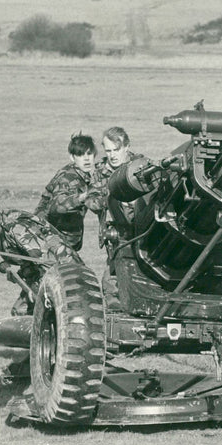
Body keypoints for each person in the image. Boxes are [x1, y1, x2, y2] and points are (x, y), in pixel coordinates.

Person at [0, 187, 83, 316]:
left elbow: (48, 263)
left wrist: (40, 291)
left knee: (28, 314)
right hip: (47, 276)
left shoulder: (16, 228)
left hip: (69, 278)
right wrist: (22, 276)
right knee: (19, 312)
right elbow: (29, 262)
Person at [93, 126, 142, 311]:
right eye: (108, 151)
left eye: (116, 150)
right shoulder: (100, 172)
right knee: (115, 273)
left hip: (143, 226)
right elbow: (93, 201)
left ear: (126, 147)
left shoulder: (140, 165)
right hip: (117, 233)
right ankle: (115, 305)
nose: (112, 155)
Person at [34, 133, 105, 251]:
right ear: (72, 157)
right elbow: (57, 206)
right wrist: (82, 197)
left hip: (59, 243)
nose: (86, 159)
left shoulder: (83, 176)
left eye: (89, 154)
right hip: (49, 242)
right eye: (80, 154)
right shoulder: (68, 178)